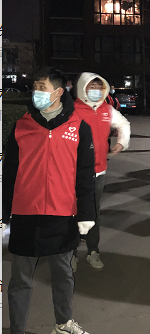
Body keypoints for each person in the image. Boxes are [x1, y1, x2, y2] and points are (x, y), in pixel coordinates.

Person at [3, 67, 96, 334]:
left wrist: (86, 213)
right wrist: (4, 213)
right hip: (25, 213)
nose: (37, 92)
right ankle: (17, 330)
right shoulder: (22, 126)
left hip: (62, 213)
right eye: (35, 87)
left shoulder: (79, 127)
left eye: (42, 87)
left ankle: (63, 324)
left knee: (63, 274)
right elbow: (9, 173)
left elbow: (85, 174)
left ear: (58, 92)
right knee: (20, 279)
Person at [74, 72, 131, 270]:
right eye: (92, 87)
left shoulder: (107, 109)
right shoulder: (72, 110)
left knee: (93, 213)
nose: (96, 91)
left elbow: (123, 124)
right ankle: (71, 253)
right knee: (73, 212)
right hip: (75, 172)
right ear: (83, 88)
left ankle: (93, 251)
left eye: (99, 88)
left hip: (99, 171)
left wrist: (121, 143)